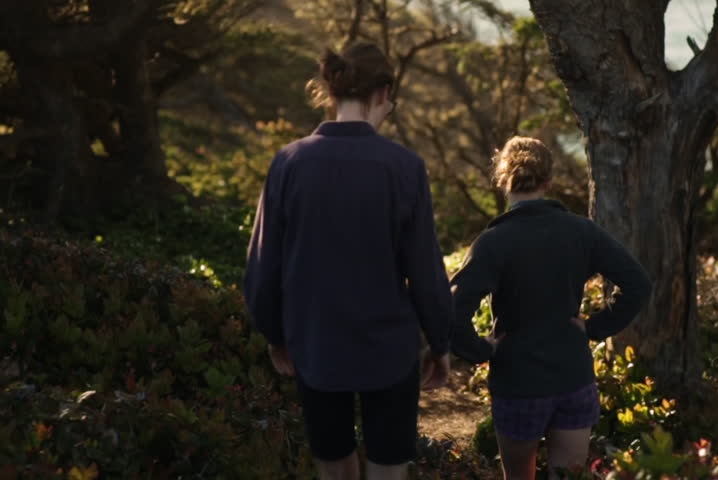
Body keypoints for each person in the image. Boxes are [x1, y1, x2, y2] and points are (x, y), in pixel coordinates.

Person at [243, 42, 453, 480]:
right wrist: (439, 342)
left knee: (334, 461)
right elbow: (426, 271)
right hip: (390, 349)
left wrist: (275, 334)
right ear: (383, 93)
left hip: (314, 342)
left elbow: (264, 266)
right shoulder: (404, 167)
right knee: (388, 464)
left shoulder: (289, 161)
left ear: (332, 91)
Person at [450, 137, 652, 480]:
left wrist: (480, 349)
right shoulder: (582, 231)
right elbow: (639, 284)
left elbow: (452, 310)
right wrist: (594, 327)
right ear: (548, 182)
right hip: (573, 376)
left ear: (502, 181)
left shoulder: (493, 241)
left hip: (518, 380)